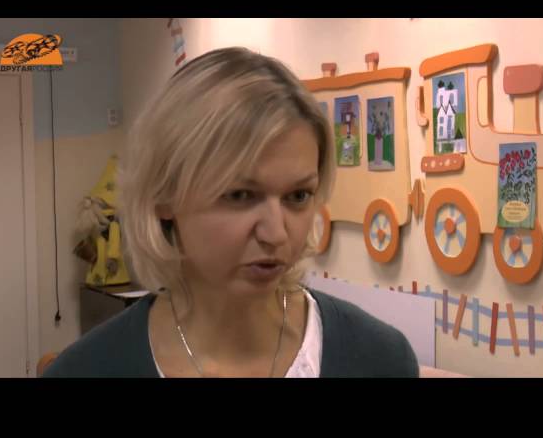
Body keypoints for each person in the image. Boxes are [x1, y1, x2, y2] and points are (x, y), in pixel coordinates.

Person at [43, 47, 419, 378]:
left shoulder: (380, 358)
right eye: (240, 195)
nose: (276, 233)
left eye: (298, 196)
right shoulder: (87, 369)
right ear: (164, 194)